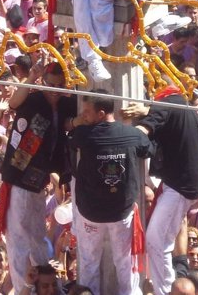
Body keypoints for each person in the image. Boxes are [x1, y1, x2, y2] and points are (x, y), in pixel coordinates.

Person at [0, 61, 76, 294]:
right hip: (19, 177)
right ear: (43, 82)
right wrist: (31, 77)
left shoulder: (67, 103)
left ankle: (48, 283)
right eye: (50, 84)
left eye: (59, 86)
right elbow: (13, 103)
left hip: (40, 179)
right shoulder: (33, 99)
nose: (54, 90)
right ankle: (24, 288)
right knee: (19, 237)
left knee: (38, 233)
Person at [123, 82, 198, 295]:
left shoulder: (167, 105)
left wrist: (118, 137)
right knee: (163, 240)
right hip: (183, 183)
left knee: (155, 240)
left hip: (179, 185)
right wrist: (147, 110)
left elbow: (143, 131)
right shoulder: (186, 110)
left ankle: (165, 290)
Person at [68, 90, 152, 295]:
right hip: (119, 213)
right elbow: (147, 149)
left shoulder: (83, 135)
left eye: (87, 112)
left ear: (101, 113)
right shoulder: (133, 135)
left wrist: (77, 123)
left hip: (91, 213)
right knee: (125, 263)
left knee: (89, 262)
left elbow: (72, 137)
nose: (83, 116)